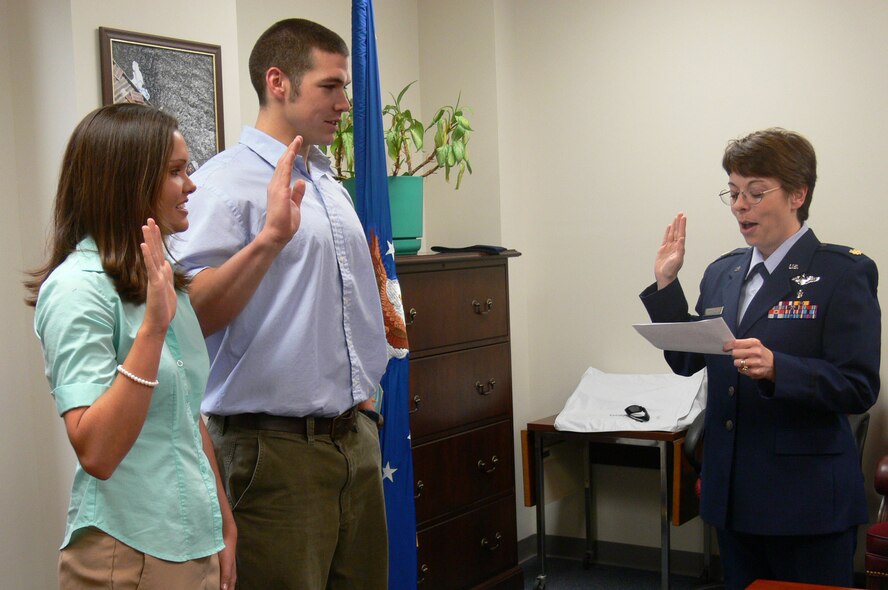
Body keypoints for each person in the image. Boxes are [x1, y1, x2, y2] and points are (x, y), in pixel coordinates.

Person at [25, 103, 292, 589]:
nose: (191, 184)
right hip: (126, 551)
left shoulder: (161, 279)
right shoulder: (75, 290)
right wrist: (151, 330)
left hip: (195, 541)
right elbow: (97, 451)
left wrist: (223, 521)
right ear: (128, 183)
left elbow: (185, 413)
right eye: (175, 172)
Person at [167, 18, 388, 590]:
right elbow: (186, 319)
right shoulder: (222, 184)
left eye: (346, 88)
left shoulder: (329, 185)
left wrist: (362, 407)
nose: (345, 103)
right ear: (279, 82)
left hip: (351, 442)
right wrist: (268, 240)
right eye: (331, 86)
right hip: (273, 455)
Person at [640, 128, 880, 589]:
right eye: (732, 193)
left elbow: (859, 387)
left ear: (797, 194)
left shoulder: (842, 273)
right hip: (733, 491)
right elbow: (690, 360)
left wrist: (779, 368)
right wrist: (667, 287)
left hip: (806, 499)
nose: (739, 206)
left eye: (754, 192)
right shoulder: (722, 272)